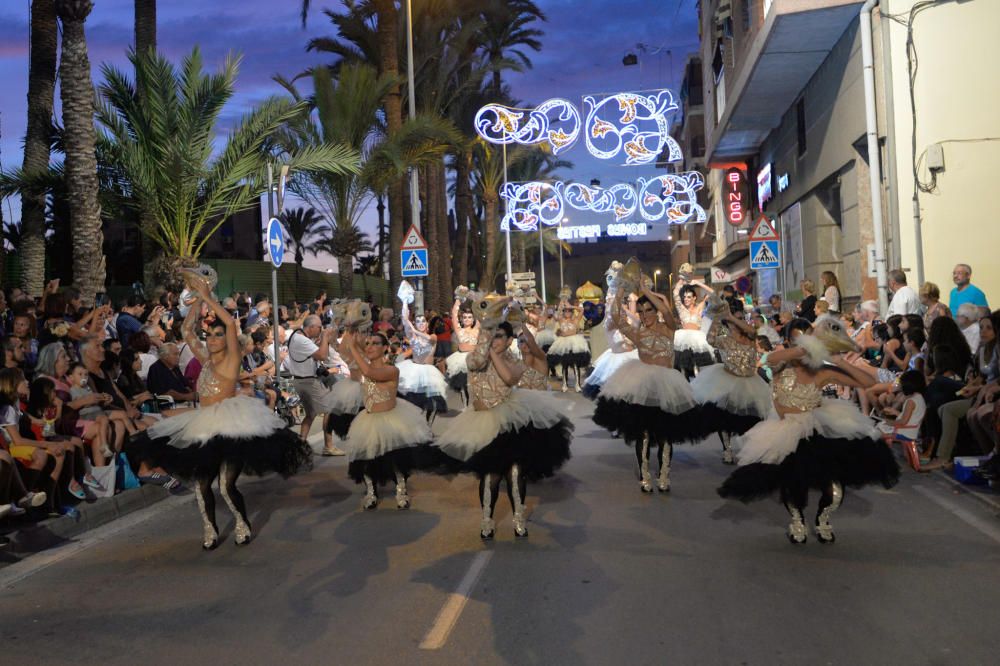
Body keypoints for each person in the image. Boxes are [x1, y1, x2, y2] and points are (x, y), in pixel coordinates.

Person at [129, 269, 312, 549]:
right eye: (210, 335)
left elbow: (228, 322)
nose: (212, 339)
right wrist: (195, 306)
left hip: (229, 426)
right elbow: (188, 331)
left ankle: (242, 522)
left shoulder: (231, 360)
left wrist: (206, 296)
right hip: (204, 425)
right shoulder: (204, 358)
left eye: (217, 336)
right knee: (202, 487)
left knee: (226, 486)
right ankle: (209, 529)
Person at [718, 316, 900, 544]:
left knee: (834, 487)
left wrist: (840, 361)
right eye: (799, 339)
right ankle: (797, 520)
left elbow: (865, 382)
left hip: (815, 429)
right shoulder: (781, 363)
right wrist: (801, 350)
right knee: (792, 483)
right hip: (784, 432)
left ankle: (823, 518)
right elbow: (767, 357)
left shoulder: (824, 371)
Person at [436, 312, 573, 539]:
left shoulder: (515, 362)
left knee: (515, 473)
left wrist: (494, 348)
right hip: (484, 422)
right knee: (490, 475)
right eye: (492, 335)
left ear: (509, 341)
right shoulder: (476, 359)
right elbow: (476, 360)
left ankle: (518, 518)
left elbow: (509, 378)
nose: (494, 340)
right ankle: (487, 520)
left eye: (499, 336)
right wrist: (486, 339)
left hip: (509, 421)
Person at [593, 276, 704, 493]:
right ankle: (644, 475)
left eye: (648, 310)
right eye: (641, 311)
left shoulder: (670, 328)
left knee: (665, 434)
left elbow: (668, 311)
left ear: (657, 311)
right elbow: (615, 316)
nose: (644, 315)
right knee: (642, 433)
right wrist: (619, 290)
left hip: (667, 384)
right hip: (642, 384)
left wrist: (646, 290)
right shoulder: (637, 332)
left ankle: (664, 475)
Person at [342, 331, 434, 510]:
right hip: (368, 419)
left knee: (395, 459)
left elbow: (370, 372)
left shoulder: (391, 369)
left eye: (375, 343)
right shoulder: (362, 368)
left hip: (390, 419)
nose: (370, 347)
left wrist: (355, 348)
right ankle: (371, 492)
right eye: (367, 343)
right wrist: (349, 331)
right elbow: (345, 356)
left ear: (385, 348)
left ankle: (401, 490)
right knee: (366, 458)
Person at [690, 300, 772, 464]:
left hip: (750, 382)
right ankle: (727, 448)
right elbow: (710, 338)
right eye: (737, 319)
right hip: (729, 380)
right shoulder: (725, 339)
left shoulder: (750, 336)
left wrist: (732, 317)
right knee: (724, 418)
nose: (741, 322)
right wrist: (718, 317)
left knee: (751, 418)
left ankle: (749, 448)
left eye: (742, 318)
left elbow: (752, 330)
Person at [286, 314, 344, 455]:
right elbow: (323, 356)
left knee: (311, 414)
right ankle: (328, 446)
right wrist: (324, 338)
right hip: (308, 381)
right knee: (329, 408)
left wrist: (323, 340)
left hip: (301, 380)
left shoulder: (297, 335)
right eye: (319, 327)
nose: (321, 329)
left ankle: (300, 445)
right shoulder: (302, 340)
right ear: (311, 327)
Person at [395, 296, 448, 423]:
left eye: (423, 321)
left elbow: (431, 340)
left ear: (427, 324)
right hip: (414, 372)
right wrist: (404, 303)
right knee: (415, 404)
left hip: (429, 372)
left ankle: (428, 427)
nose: (421, 323)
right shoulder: (413, 337)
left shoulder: (433, 336)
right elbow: (405, 320)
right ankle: (419, 427)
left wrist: (414, 330)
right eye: (418, 321)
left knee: (434, 404)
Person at [446, 290, 480, 407]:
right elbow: (454, 316)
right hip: (461, 360)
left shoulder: (477, 329)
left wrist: (475, 300)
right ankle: (466, 406)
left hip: (474, 358)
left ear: (473, 319)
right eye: (465, 317)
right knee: (463, 385)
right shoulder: (459, 330)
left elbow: (481, 313)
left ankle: (475, 404)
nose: (467, 319)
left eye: (469, 317)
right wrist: (458, 299)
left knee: (475, 384)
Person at [546, 302, 591, 392]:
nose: (567, 313)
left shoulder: (575, 320)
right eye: (565, 311)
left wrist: (571, 306)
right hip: (563, 343)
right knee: (564, 364)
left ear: (572, 312)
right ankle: (564, 384)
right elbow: (552, 314)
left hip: (575, 343)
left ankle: (577, 385)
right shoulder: (561, 320)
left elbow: (582, 310)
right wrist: (560, 307)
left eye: (569, 311)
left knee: (575, 365)